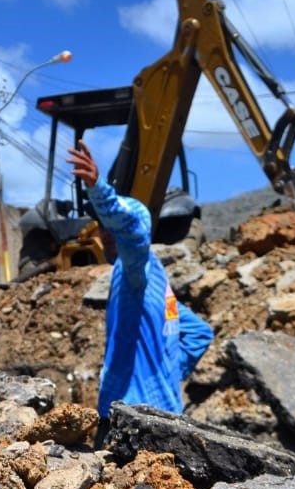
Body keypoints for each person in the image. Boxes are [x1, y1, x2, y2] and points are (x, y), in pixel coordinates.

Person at [66, 139, 214, 418]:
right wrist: (165, 374)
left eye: (112, 227)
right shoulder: (158, 284)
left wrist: (100, 191)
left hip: (132, 418)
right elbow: (199, 333)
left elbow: (133, 232)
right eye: (102, 226)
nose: (105, 234)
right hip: (166, 415)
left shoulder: (134, 268)